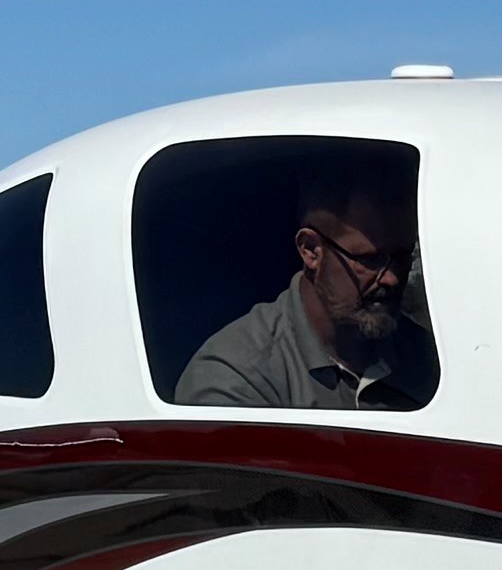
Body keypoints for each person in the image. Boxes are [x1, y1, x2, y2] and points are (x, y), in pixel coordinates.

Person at [177, 165, 431, 408]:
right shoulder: (237, 376)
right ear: (310, 250)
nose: (392, 278)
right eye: (370, 259)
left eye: (401, 257)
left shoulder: (427, 358)